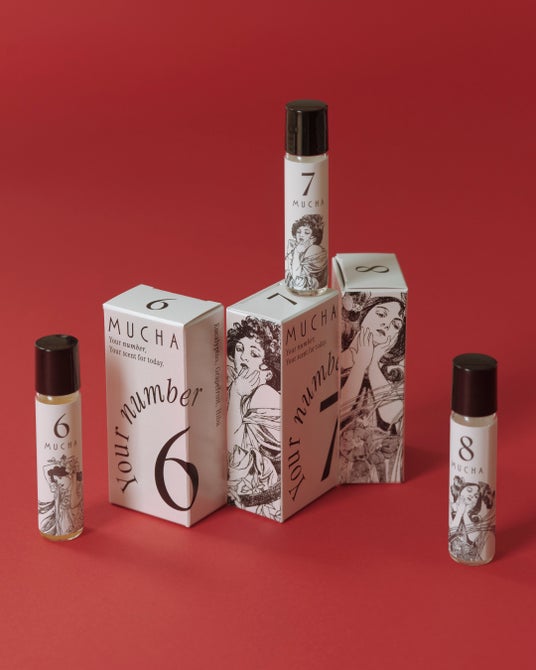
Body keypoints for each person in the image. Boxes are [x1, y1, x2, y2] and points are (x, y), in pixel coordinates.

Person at [339, 296, 406, 483]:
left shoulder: (393, 373)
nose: (387, 325)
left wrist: (374, 362)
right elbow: (340, 410)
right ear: (364, 315)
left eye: (396, 325)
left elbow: (391, 415)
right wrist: (361, 363)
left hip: (381, 467)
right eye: (381, 314)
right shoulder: (339, 360)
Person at [227, 316, 281, 520]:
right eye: (239, 349)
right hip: (241, 499)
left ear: (267, 371)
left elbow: (234, 453)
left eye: (254, 353)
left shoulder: (264, 395)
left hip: (265, 505)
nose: (243, 357)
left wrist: (235, 394)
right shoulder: (236, 388)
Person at [449, 476, 495, 561]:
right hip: (456, 551)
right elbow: (451, 532)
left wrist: (465, 513)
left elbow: (473, 538)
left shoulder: (475, 517)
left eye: (476, 496)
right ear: (461, 490)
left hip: (473, 557)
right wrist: (460, 512)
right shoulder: (452, 507)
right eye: (469, 490)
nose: (472, 495)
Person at [285, 214, 328, 291]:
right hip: (294, 290)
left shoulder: (315, 249)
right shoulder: (295, 248)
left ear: (314, 238)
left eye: (306, 232)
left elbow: (298, 281)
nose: (301, 235)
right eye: (298, 231)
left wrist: (296, 253)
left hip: (312, 289)